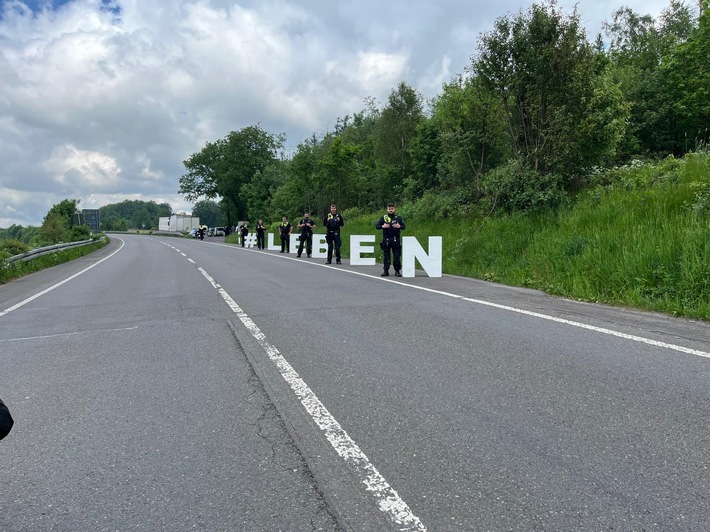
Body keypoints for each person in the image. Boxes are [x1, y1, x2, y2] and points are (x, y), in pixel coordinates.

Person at [375, 203, 405, 277]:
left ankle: (397, 271)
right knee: (386, 256)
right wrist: (383, 226)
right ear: (387, 209)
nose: (391, 210)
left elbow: (404, 226)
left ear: (394, 209)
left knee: (397, 256)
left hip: (395, 239)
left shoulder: (398, 218)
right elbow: (377, 226)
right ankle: (386, 271)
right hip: (387, 239)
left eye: (392, 208)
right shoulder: (384, 218)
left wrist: (399, 226)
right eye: (389, 209)